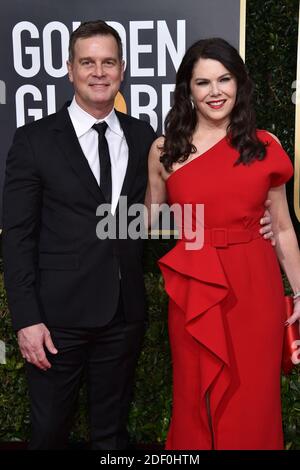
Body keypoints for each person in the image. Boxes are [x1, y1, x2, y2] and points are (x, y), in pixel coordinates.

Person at [2, 20, 156, 450]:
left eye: (108, 62)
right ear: (70, 70)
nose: (99, 72)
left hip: (123, 316)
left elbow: (170, 204)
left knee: (111, 437)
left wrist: (258, 215)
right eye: (87, 62)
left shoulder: (143, 136)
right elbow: (18, 236)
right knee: (49, 435)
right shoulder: (34, 141)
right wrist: (27, 319)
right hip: (55, 320)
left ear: (122, 70)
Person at [145, 37, 300, 450]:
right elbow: (143, 221)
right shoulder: (165, 150)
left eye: (224, 79)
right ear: (188, 91)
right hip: (195, 288)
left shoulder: (264, 145)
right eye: (202, 82)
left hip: (255, 285)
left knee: (253, 398)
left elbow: (282, 228)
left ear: (239, 84)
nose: (215, 91)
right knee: (196, 397)